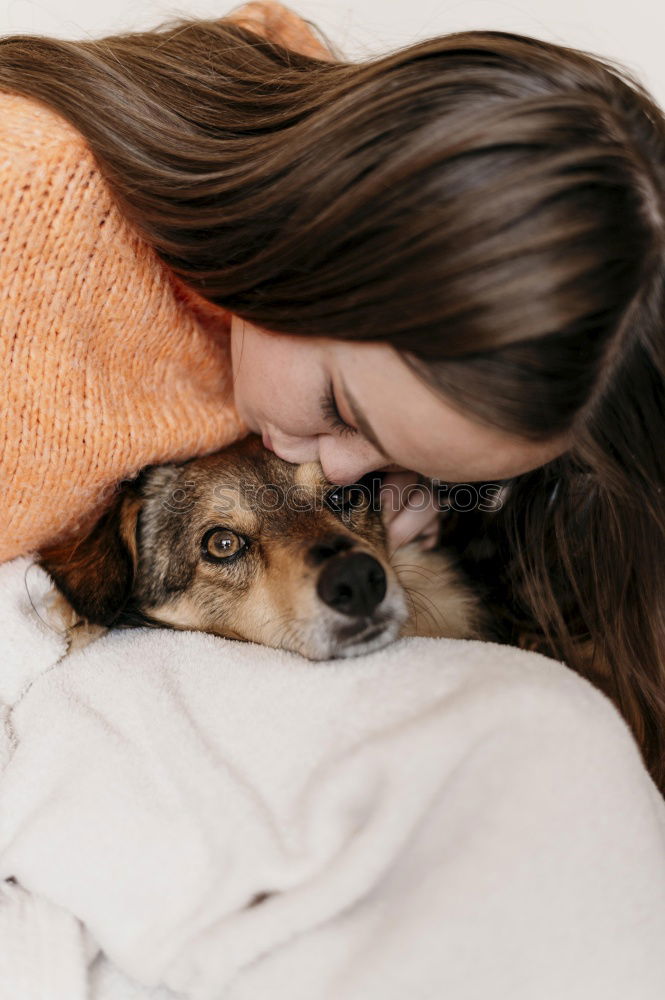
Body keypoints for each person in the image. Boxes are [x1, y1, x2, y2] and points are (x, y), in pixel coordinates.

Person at [1, 1, 664, 794]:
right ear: (311, 234)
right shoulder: (26, 240)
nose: (347, 467)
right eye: (343, 409)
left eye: (395, 459)